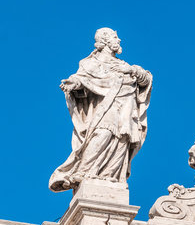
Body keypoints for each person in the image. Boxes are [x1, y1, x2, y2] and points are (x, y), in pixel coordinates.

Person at [49, 28, 152, 192]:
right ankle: (83, 171)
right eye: (115, 37)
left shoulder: (125, 65)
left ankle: (111, 177)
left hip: (127, 108)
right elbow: (81, 79)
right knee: (103, 133)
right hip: (106, 106)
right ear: (104, 41)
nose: (119, 40)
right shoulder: (90, 64)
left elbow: (146, 79)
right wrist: (73, 84)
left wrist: (132, 71)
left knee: (122, 140)